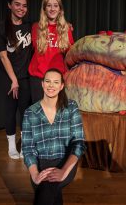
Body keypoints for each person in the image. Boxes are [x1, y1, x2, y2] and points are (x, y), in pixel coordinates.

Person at [22, 68, 86, 205]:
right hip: (40, 164)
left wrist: (63, 171)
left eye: (56, 82)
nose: (51, 85)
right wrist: (34, 174)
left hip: (65, 161)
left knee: (46, 190)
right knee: (48, 189)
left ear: (62, 86)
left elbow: (79, 143)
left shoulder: (71, 108)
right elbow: (28, 148)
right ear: (42, 84)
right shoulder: (30, 113)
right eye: (48, 81)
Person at [0, 0, 32, 159]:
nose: (21, 8)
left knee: (25, 113)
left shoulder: (29, 27)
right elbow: (3, 56)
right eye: (17, 4)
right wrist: (14, 80)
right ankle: (11, 147)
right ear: (9, 5)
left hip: (27, 78)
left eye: (24, 5)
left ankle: (24, 146)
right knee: (10, 112)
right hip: (9, 79)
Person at [29, 0, 74, 103]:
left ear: (60, 9)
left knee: (55, 114)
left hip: (56, 78)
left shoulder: (66, 29)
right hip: (38, 77)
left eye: (55, 5)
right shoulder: (36, 27)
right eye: (49, 5)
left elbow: (71, 54)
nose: (52, 9)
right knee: (39, 115)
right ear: (44, 9)